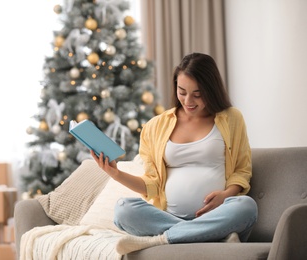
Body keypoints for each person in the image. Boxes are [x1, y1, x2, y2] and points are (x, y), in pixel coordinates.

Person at [91, 52, 258, 255]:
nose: (189, 101)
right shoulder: (155, 126)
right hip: (168, 217)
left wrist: (225, 196)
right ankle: (211, 236)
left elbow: (242, 170)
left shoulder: (231, 119)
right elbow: (152, 184)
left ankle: (163, 239)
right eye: (182, 92)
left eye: (197, 94)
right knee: (123, 209)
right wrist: (115, 174)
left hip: (217, 214)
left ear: (211, 90)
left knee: (246, 207)